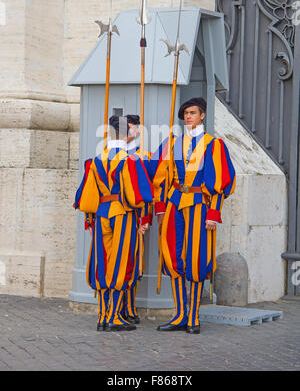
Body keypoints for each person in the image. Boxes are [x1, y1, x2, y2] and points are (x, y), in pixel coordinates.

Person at [151, 97, 236, 334]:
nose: (188, 116)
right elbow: (157, 175)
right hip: (174, 203)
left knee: (196, 259)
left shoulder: (213, 144)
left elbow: (220, 182)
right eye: (186, 113)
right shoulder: (172, 143)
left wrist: (214, 213)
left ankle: (193, 317)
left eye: (192, 113)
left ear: (202, 116)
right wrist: (159, 207)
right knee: (173, 256)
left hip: (199, 204)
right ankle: (179, 315)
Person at [74, 115, 153, 332]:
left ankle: (102, 316)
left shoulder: (97, 160)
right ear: (128, 134)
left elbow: (86, 196)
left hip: (101, 214)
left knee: (103, 260)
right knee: (121, 261)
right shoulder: (130, 160)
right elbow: (140, 195)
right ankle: (115, 318)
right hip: (122, 213)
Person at [121, 114, 153, 324]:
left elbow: (149, 190)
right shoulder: (113, 154)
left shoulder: (145, 156)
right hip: (117, 215)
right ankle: (118, 307)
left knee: (134, 262)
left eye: (131, 128)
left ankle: (130, 306)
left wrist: (145, 219)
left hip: (136, 215)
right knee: (117, 261)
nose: (128, 131)